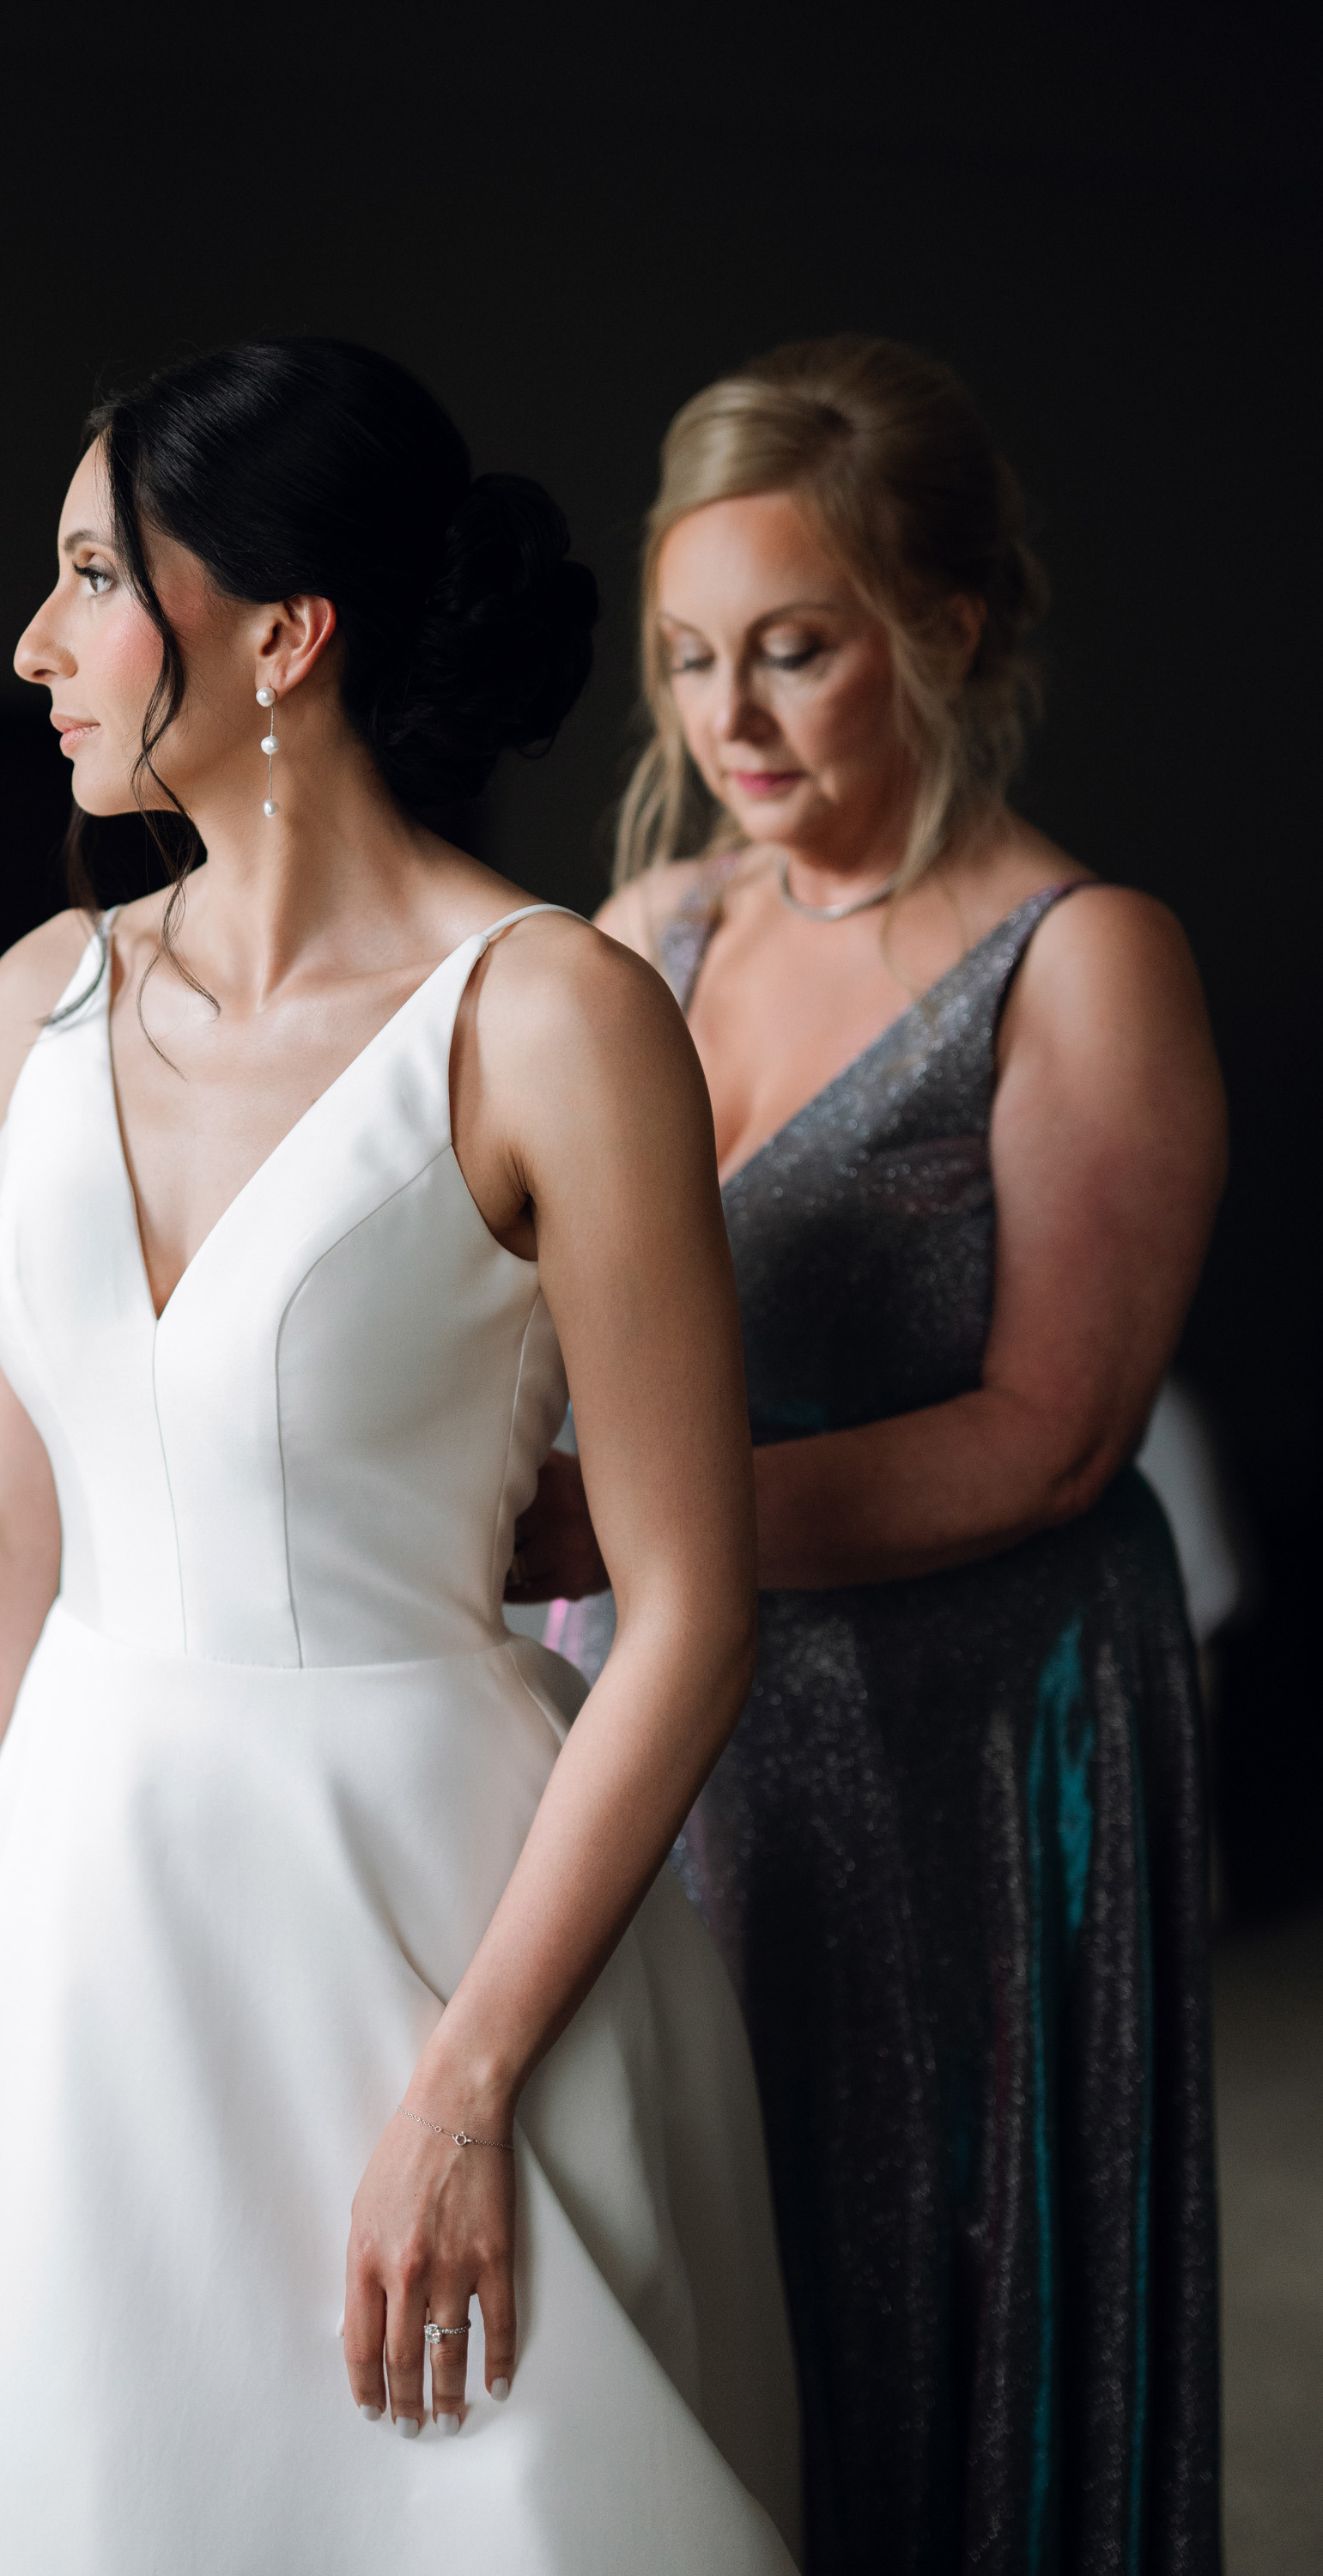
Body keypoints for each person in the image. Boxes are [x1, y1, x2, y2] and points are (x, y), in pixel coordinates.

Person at [0, 340, 800, 2575]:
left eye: (92, 577)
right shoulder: (42, 1000)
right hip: (85, 1910)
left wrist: (466, 2087)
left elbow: (693, 1608)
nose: (33, 644)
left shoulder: (555, 1015)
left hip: (435, 1921)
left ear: (281, 638)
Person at [514, 337, 1226, 2574]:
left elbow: (1050, 1439)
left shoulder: (1083, 959)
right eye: (690, 660)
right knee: (662, 2268)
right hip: (650, 1706)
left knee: (915, 2289)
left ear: (951, 624)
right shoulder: (661, 931)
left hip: (956, 1744)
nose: (729, 722)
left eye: (795, 651)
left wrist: (635, 1535)